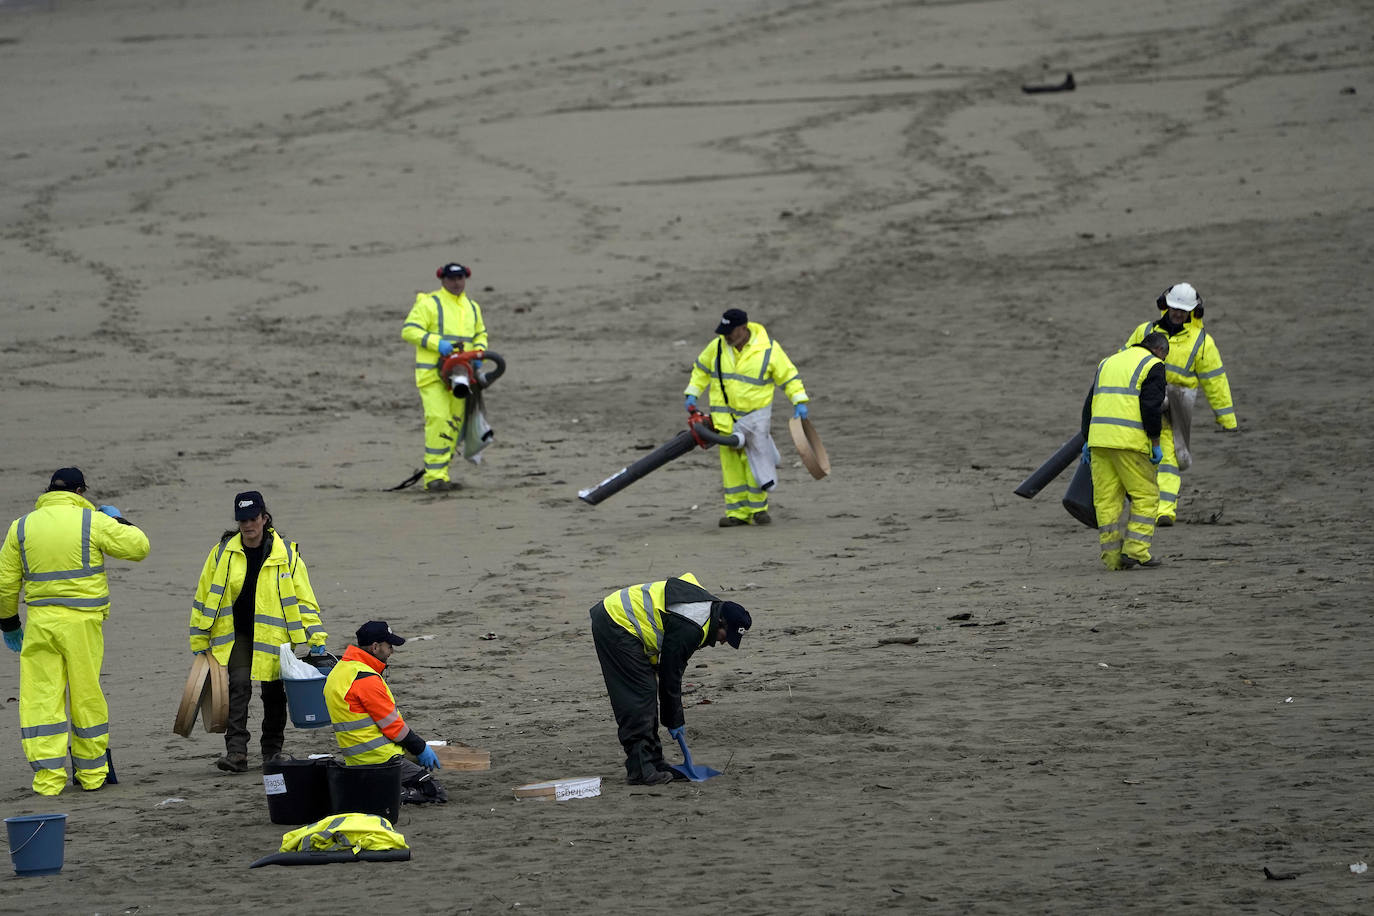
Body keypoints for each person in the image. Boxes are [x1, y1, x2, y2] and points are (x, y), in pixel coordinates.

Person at [0, 467, 150, 795]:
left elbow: (6, 583)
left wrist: (9, 623)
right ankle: (92, 775)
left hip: (41, 624)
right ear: (80, 492)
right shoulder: (92, 521)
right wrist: (117, 520)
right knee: (86, 696)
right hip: (83, 625)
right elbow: (139, 547)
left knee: (41, 699)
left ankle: (48, 781)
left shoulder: (21, 527)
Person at [189, 491, 327, 773]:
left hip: (274, 637)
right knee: (238, 686)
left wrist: (316, 638)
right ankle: (236, 751)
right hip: (236, 633)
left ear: (265, 518)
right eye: (242, 520)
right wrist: (200, 637)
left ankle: (271, 752)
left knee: (274, 694)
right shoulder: (221, 553)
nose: (248, 525)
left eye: (253, 519)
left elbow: (304, 599)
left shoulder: (286, 554)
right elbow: (204, 595)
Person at [590, 573, 752, 785]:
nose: (722, 642)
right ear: (720, 621)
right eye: (725, 636)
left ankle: (655, 763)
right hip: (616, 622)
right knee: (639, 697)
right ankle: (640, 769)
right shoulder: (692, 625)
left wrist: (671, 716)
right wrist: (675, 720)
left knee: (646, 692)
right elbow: (671, 674)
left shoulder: (704, 612)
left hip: (626, 626)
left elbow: (670, 664)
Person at [1121, 282, 1239, 525]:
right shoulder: (1144, 331)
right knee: (1135, 450)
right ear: (1165, 305)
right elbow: (1123, 362)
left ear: (1193, 311)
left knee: (1169, 456)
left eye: (1183, 310)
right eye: (1175, 307)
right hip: (1141, 395)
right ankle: (1144, 501)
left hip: (1176, 402)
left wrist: (1226, 418)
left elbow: (1214, 380)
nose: (1178, 313)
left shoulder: (1202, 342)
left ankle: (1164, 509)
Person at [683, 308, 809, 526]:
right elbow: (701, 370)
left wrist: (799, 401)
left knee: (756, 464)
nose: (726, 336)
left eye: (730, 332)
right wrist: (692, 392)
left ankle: (759, 510)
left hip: (754, 422)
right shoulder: (718, 347)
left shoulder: (768, 349)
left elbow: (788, 376)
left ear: (743, 328)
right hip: (725, 423)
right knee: (732, 471)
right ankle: (737, 513)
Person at [323, 620, 446, 804]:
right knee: (433, 791)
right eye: (389, 646)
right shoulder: (365, 679)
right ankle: (383, 795)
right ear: (375, 647)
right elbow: (393, 727)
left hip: (355, 759)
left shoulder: (340, 671)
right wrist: (421, 748)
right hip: (380, 759)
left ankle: (374, 788)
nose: (392, 651)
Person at [1081, 332, 1170, 571]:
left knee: (1106, 501)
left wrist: (1087, 439)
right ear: (1160, 351)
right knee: (1146, 495)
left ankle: (1112, 560)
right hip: (1129, 443)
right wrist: (1155, 443)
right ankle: (1136, 551)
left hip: (1099, 441)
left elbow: (1090, 403)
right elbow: (1151, 406)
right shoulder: (1153, 365)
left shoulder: (1108, 362)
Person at [400, 261, 488, 492]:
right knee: (439, 419)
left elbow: (480, 333)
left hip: (461, 376)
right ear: (442, 280)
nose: (456, 283)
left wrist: (479, 352)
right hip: (433, 374)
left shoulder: (472, 307)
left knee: (455, 424)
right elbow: (409, 330)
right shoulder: (429, 303)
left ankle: (442, 474)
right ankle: (434, 477)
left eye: (460, 278)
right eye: (451, 279)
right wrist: (437, 343)